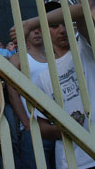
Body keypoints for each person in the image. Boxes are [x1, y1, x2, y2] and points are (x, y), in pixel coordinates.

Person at [16, 4, 95, 169]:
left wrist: (30, 24)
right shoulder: (43, 77)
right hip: (72, 161)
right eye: (54, 26)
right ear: (43, 30)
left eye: (65, 23)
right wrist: (66, 129)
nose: (62, 30)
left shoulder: (87, 49)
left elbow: (81, 10)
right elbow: (41, 125)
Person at [8, 12, 56, 169]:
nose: (36, 32)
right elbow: (12, 90)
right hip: (34, 128)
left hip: (60, 126)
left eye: (38, 29)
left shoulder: (54, 56)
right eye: (32, 29)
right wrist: (26, 122)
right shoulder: (18, 58)